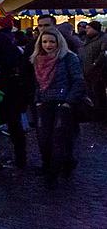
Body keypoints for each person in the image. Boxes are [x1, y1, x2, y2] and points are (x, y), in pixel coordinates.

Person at [30, 26, 86, 188]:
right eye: (45, 41)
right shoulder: (38, 59)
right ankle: (53, 165)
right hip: (44, 102)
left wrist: (69, 102)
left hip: (63, 102)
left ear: (58, 42)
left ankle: (53, 173)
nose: (48, 45)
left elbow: (78, 80)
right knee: (43, 138)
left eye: (52, 42)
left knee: (59, 138)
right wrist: (38, 100)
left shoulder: (69, 58)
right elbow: (37, 83)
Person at [0, 26, 28, 168]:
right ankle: (19, 157)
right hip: (10, 92)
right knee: (14, 126)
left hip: (3, 91)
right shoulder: (14, 51)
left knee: (2, 124)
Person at [79, 21, 107, 120]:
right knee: (91, 94)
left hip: (98, 72)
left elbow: (103, 54)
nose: (86, 30)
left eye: (88, 28)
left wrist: (95, 64)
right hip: (87, 71)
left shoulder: (103, 39)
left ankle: (100, 115)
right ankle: (93, 114)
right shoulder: (87, 40)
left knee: (98, 94)